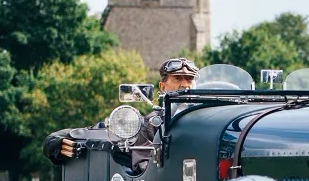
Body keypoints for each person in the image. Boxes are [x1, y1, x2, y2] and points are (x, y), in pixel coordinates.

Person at [43, 58, 199, 168]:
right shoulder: (155, 121)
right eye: (178, 78)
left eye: (190, 79)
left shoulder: (205, 117)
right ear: (163, 86)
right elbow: (142, 164)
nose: (185, 84)